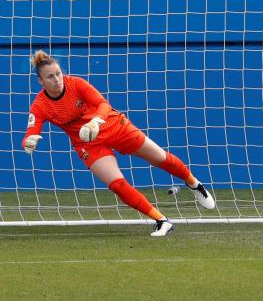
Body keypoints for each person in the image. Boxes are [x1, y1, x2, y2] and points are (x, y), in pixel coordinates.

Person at [22, 51, 216, 236]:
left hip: (115, 126)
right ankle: (162, 221)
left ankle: (194, 184)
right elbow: (31, 131)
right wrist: (29, 141)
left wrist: (95, 121)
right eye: (50, 77)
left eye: (58, 73)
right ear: (41, 81)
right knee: (116, 184)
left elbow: (103, 104)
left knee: (161, 158)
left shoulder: (76, 84)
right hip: (88, 144)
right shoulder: (40, 105)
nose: (57, 79)